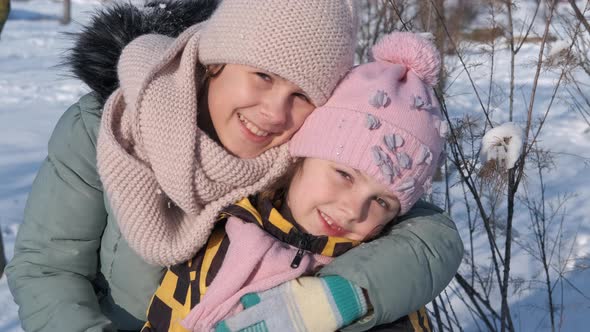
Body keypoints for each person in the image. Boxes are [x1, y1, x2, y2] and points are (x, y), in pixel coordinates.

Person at [6, 0, 463, 331]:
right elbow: (48, 267)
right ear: (217, 62)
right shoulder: (112, 125)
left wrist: (329, 301)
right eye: (263, 75)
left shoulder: (307, 155)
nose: (274, 113)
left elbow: (428, 236)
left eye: (302, 94)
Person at [142, 31, 444, 332]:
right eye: (345, 175)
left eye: (381, 201)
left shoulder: (375, 298)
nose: (354, 210)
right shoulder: (224, 228)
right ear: (301, 154)